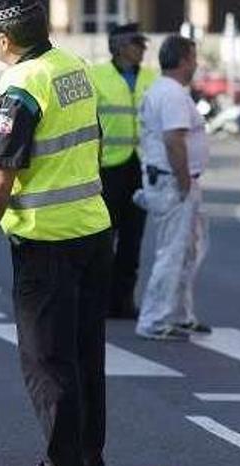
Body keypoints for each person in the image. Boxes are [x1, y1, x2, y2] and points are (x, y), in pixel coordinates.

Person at [0, 1, 112, 466]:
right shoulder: (75, 67)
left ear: (3, 39)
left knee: (49, 367)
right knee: (86, 360)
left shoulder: (20, 85)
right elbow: (96, 144)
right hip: (92, 229)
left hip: (45, 240)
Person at [134, 35, 211, 341]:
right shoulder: (172, 95)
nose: (196, 64)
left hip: (168, 179)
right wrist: (184, 183)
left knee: (188, 252)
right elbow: (174, 140)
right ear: (182, 61)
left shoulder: (165, 90)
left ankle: (178, 314)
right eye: (193, 58)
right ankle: (153, 319)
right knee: (172, 253)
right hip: (173, 181)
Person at [90, 23, 158, 319]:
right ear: (118, 46)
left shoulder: (152, 78)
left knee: (133, 238)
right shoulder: (97, 77)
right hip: (107, 169)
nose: (142, 49)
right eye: (136, 44)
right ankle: (101, 301)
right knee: (105, 239)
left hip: (140, 167)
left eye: (143, 44)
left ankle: (124, 301)